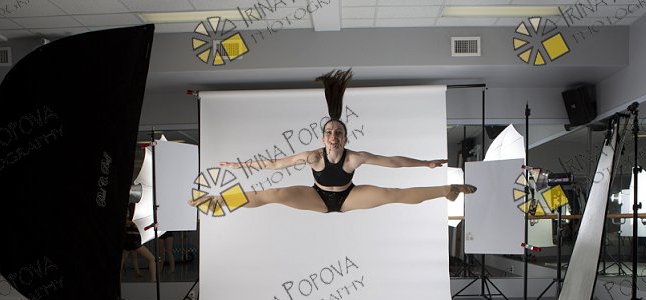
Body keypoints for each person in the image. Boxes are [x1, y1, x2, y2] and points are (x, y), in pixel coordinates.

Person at [188, 69, 476, 214]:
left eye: (338, 132)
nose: (334, 136)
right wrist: (241, 165)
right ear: (323, 137)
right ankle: (219, 201)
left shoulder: (354, 157)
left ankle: (447, 190)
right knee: (274, 193)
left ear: (345, 137)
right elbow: (275, 164)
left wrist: (425, 163)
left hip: (349, 196)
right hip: (317, 196)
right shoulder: (313, 157)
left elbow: (393, 162)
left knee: (392, 194)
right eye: (329, 132)